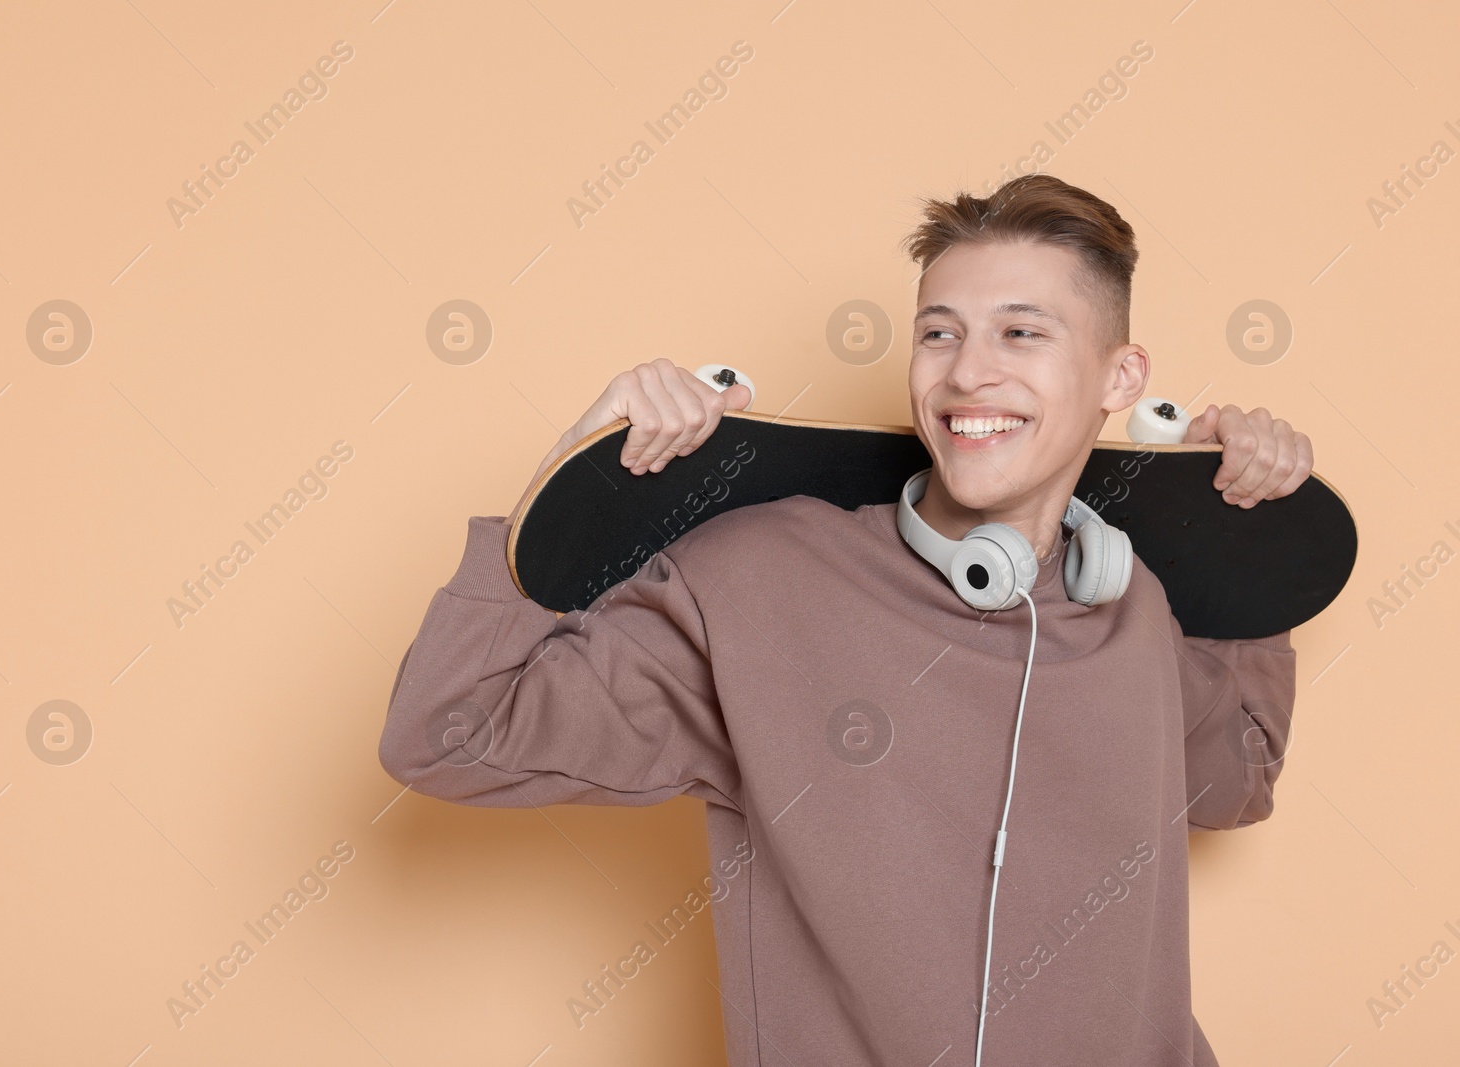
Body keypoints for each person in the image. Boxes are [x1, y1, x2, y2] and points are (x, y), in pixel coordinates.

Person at [379, 174, 1310, 1065]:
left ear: (1122, 377)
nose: (968, 374)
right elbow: (450, 732)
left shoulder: (1135, 602)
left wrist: (1240, 538)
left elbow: (1241, 776)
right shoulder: (759, 580)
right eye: (939, 334)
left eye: (1022, 332)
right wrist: (569, 480)